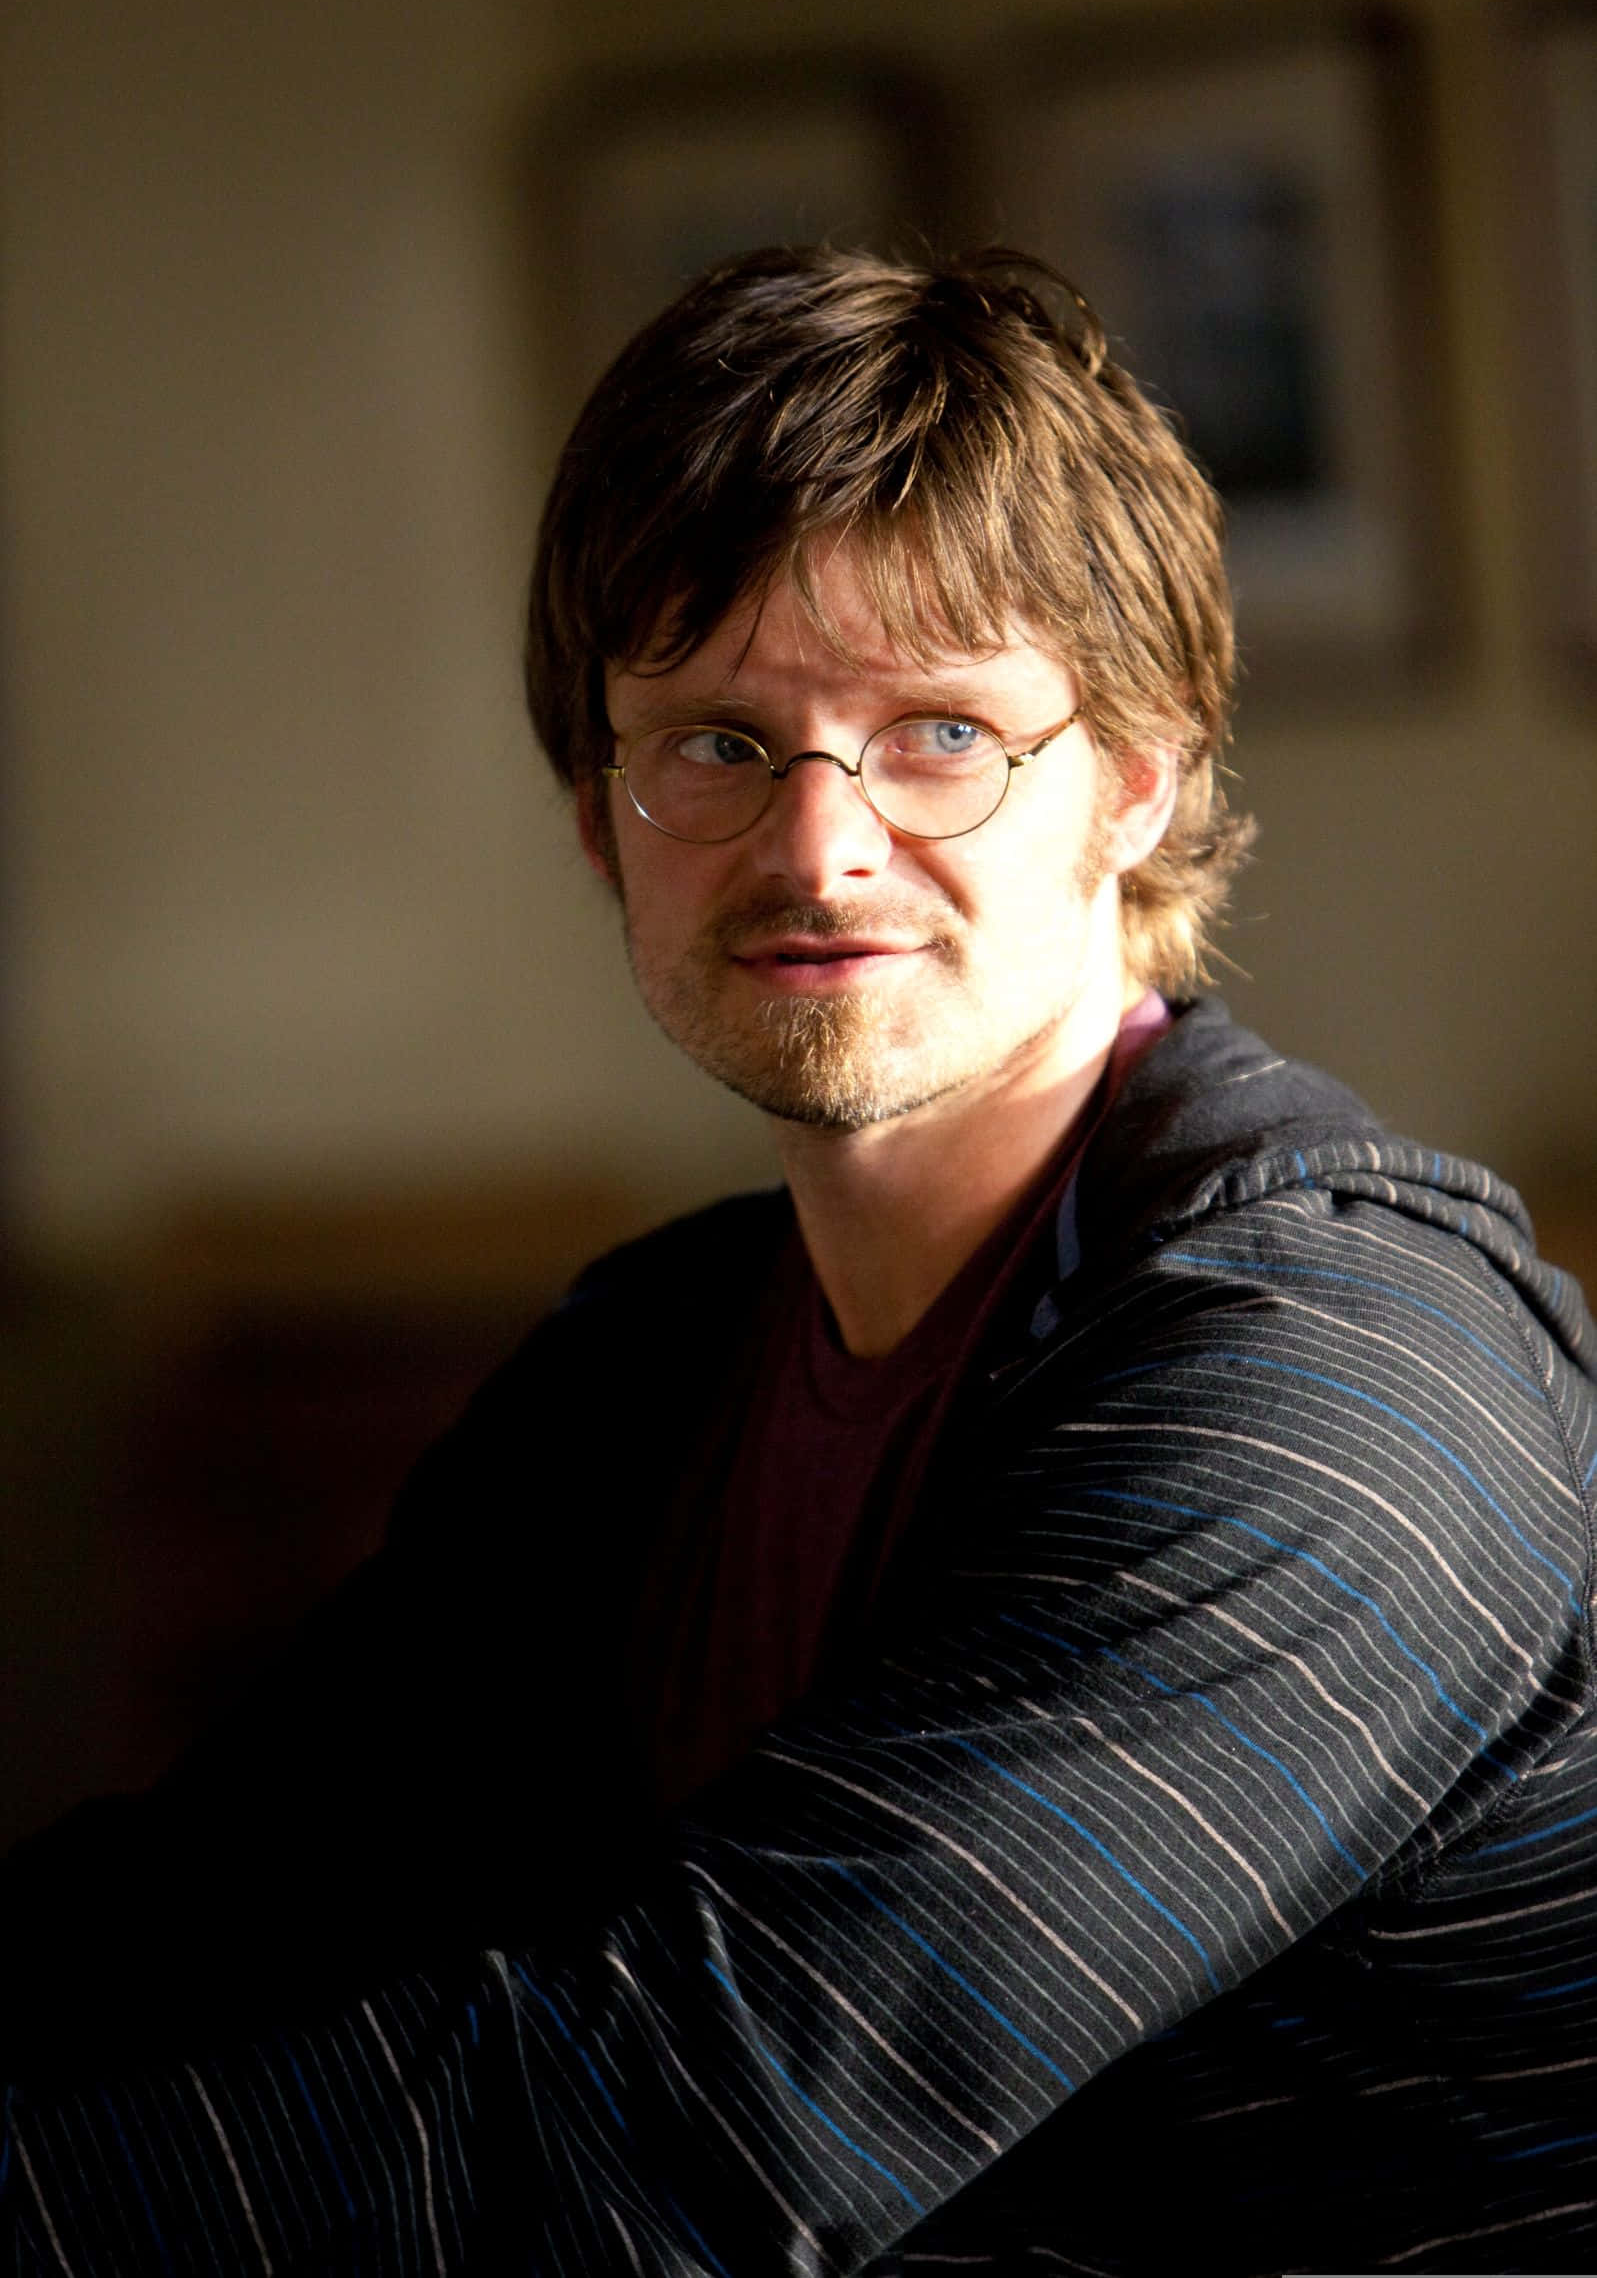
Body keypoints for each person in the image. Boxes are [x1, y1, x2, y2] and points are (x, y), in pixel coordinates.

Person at [4, 246, 1595, 2276]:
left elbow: (687, 2119)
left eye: (936, 733)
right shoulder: (648, 1362)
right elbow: (218, 1908)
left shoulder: (1339, 1383)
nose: (818, 847)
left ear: (1138, 783)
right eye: (718, 744)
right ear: (599, 814)